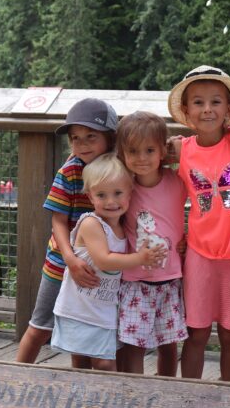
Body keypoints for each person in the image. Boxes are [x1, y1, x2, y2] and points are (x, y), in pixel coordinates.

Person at [167, 66, 230, 382]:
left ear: (229, 108)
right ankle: (190, 396)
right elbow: (138, 151)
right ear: (186, 110)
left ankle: (229, 397)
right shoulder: (180, 149)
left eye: (216, 101)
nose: (207, 109)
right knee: (195, 332)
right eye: (198, 102)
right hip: (198, 254)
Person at [12, 98, 119, 369]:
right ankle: (13, 376)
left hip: (99, 269)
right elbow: (58, 222)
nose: (82, 144)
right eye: (75, 138)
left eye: (91, 137)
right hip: (62, 265)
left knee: (84, 332)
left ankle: (80, 389)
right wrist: (70, 259)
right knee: (40, 325)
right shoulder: (71, 171)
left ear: (110, 137)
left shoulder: (118, 170)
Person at [51, 154, 167, 370]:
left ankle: (102, 401)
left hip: (104, 310)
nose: (111, 201)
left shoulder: (124, 226)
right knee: (84, 361)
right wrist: (140, 258)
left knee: (103, 362)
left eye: (118, 193)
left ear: (130, 193)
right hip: (80, 309)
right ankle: (82, 400)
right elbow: (104, 261)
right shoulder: (91, 223)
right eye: (101, 195)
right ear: (90, 196)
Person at [114, 111, 188, 377]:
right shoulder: (123, 186)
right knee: (134, 345)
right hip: (135, 281)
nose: (141, 158)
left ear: (162, 151)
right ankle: (134, 394)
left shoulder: (178, 181)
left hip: (171, 279)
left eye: (149, 150)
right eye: (133, 151)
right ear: (122, 152)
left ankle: (164, 390)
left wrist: (188, 238)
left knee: (169, 343)